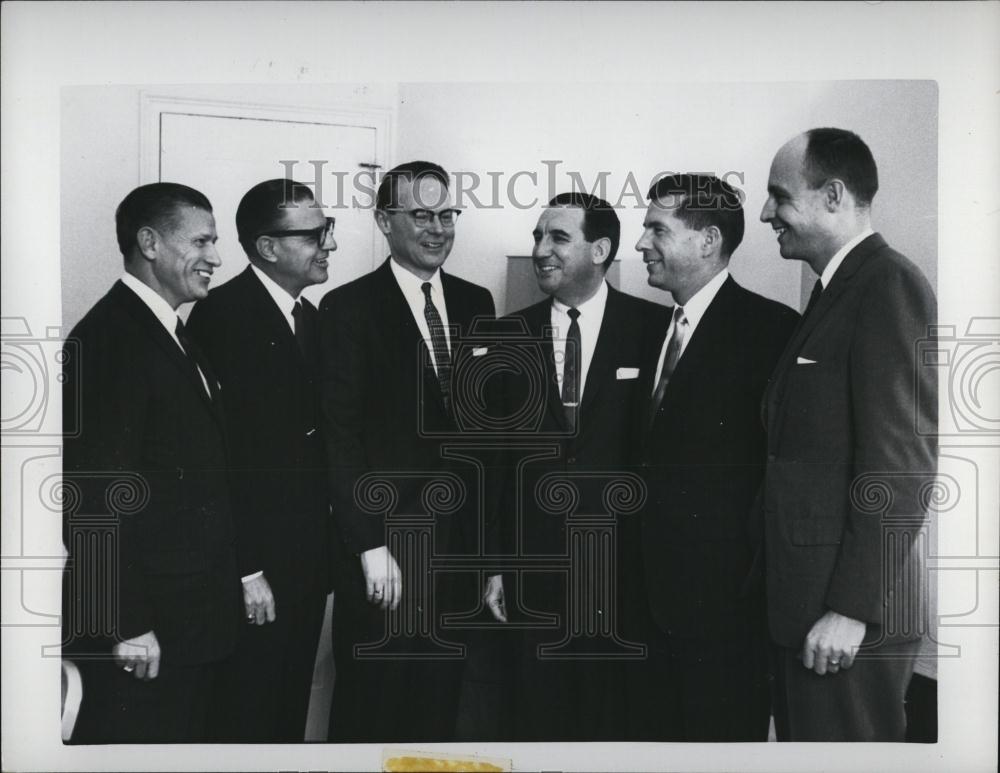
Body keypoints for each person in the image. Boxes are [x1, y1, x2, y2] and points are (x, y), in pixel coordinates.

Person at [759, 128, 937, 741]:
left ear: (833, 195)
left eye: (778, 196)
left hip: (845, 619)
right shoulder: (836, 290)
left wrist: (850, 609)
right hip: (809, 608)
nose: (765, 214)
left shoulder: (886, 284)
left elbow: (901, 467)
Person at [318, 160, 496, 742]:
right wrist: (368, 543)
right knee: (373, 708)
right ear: (384, 221)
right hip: (385, 553)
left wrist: (490, 554)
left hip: (457, 554)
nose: (437, 228)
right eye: (421, 214)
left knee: (439, 710)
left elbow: (485, 436)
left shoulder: (477, 303)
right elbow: (339, 436)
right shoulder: (347, 309)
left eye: (447, 214)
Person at [482, 192, 668, 740]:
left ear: (601, 248)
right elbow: (493, 465)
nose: (541, 250)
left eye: (557, 237)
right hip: (533, 576)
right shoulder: (505, 336)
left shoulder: (655, 330)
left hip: (627, 575)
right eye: (537, 237)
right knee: (535, 719)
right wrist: (494, 564)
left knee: (616, 723)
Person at [62, 182, 241, 742]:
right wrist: (129, 623)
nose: (215, 257)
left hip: (186, 621)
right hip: (147, 631)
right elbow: (93, 498)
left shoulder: (169, 331)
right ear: (150, 243)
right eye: (202, 241)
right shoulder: (112, 339)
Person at [626, 174, 799, 741]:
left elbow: (786, 475)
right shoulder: (647, 329)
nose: (641, 243)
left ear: (707, 240)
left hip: (726, 620)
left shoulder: (771, 330)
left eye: (657, 228)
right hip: (644, 615)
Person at [185, 179, 335, 741]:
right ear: (268, 248)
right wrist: (248, 569)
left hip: (303, 568)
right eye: (315, 234)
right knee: (245, 718)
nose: (329, 245)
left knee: (286, 712)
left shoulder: (311, 319)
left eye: (329, 230)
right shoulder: (220, 317)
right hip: (252, 575)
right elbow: (216, 461)